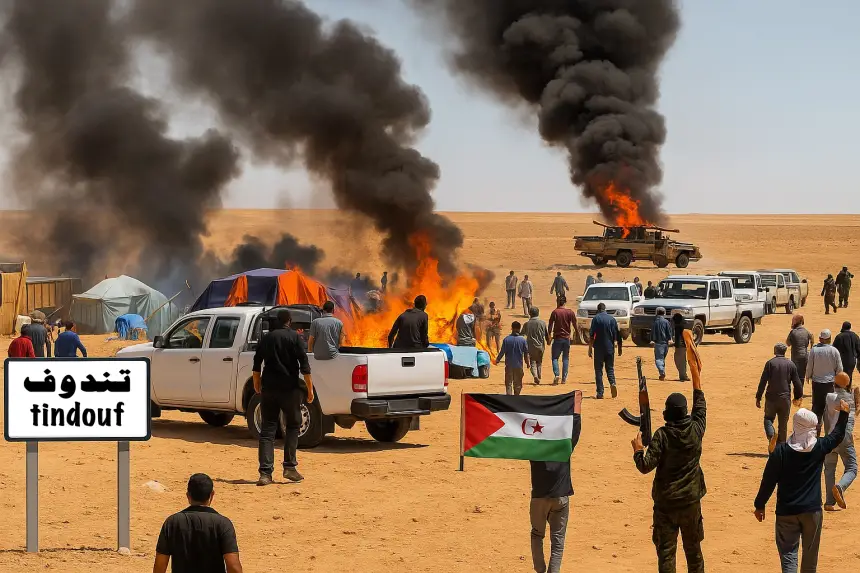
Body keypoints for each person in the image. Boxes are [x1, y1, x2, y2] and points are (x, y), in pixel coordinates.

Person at [632, 332, 706, 573]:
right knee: (694, 553)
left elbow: (645, 466)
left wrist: (638, 450)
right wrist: (695, 373)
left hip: (666, 504)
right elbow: (700, 403)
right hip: (691, 501)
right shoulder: (696, 429)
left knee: (666, 555)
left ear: (667, 413)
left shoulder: (662, 435)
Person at [753, 403, 850, 573]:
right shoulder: (820, 447)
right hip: (812, 511)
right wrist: (844, 414)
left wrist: (760, 505)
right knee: (810, 562)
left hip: (786, 512)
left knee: (788, 558)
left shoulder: (780, 452)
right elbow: (837, 435)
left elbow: (768, 481)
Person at [252, 309, 313, 485]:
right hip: (290, 389)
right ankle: (289, 468)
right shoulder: (295, 337)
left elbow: (256, 363)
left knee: (267, 430)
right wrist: (310, 389)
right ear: (289, 321)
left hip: (269, 389)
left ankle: (265, 474)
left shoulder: (267, 338)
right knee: (293, 425)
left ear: (277, 321)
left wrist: (257, 384)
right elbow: (305, 365)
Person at [154, 473, 242, 573]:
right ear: (212, 495)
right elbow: (233, 567)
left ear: (188, 495)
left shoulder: (172, 522)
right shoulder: (223, 523)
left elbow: (159, 567)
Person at [529, 433, 578, 573]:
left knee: (537, 534)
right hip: (560, 497)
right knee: (558, 541)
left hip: (539, 498)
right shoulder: (565, 446)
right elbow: (576, 427)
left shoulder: (532, 448)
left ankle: (540, 570)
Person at [757, 342, 803, 452]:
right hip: (785, 398)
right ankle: (781, 449)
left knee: (768, 419)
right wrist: (798, 396)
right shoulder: (791, 364)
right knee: (783, 425)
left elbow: (763, 381)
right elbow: (797, 383)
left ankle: (771, 435)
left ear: (775, 351)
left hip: (771, 398)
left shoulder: (770, 363)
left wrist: (758, 397)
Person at [824, 372, 858, 511]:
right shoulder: (850, 399)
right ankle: (840, 486)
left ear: (834, 383)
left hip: (829, 437)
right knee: (852, 467)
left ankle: (829, 503)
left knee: (829, 470)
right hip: (844, 437)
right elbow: (852, 418)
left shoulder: (828, 397)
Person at [807, 329, 843, 433]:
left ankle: (816, 432)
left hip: (817, 384)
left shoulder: (814, 350)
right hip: (830, 383)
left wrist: (808, 376)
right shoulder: (834, 351)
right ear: (830, 339)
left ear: (820, 338)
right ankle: (829, 433)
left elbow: (809, 365)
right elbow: (839, 368)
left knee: (817, 408)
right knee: (829, 408)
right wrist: (838, 380)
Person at [588, 303, 621, 399]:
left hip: (598, 348)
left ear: (598, 309)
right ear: (605, 309)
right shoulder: (612, 319)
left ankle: (600, 392)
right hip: (610, 347)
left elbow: (591, 335)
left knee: (598, 370)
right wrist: (619, 347)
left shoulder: (596, 319)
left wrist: (590, 348)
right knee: (610, 368)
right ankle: (612, 383)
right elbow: (617, 335)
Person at [495, 321, 530, 396]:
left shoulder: (506, 339)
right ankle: (516, 397)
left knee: (508, 383)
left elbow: (502, 352)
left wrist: (497, 360)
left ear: (512, 328)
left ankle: (509, 398)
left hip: (509, 365)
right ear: (519, 329)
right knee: (518, 384)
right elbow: (526, 353)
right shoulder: (523, 340)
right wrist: (527, 363)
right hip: (519, 366)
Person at [547, 298, 575, 385]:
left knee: (555, 358)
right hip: (566, 339)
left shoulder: (555, 312)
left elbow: (550, 325)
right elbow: (575, 324)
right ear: (565, 302)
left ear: (558, 302)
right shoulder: (570, 312)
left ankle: (557, 374)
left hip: (557, 338)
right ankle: (564, 379)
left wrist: (549, 336)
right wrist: (576, 335)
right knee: (565, 358)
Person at [521, 306, 548, 385]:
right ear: (538, 313)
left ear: (530, 314)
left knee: (532, 361)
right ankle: (539, 375)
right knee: (539, 361)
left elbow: (521, 334)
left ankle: (535, 376)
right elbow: (546, 335)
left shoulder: (527, 324)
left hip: (531, 346)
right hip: (541, 346)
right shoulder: (542, 323)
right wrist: (549, 341)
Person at [786, 315, 813, 392]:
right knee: (802, 375)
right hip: (805, 355)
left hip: (796, 356)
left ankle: (797, 391)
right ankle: (800, 390)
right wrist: (811, 347)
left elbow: (788, 343)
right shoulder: (806, 331)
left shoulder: (793, 332)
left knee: (795, 374)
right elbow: (812, 337)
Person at [651, 307, 673, 381]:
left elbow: (653, 332)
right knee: (662, 358)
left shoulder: (655, 322)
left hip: (658, 343)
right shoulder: (666, 322)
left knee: (659, 359)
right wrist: (670, 339)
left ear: (656, 313)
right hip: (666, 344)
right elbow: (669, 331)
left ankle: (661, 371)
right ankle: (662, 372)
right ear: (664, 313)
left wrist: (652, 340)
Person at [672, 314, 691, 382]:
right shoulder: (683, 325)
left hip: (680, 346)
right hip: (683, 346)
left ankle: (683, 376)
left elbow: (679, 338)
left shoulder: (678, 327)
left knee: (680, 361)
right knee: (682, 361)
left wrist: (675, 344)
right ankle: (683, 375)